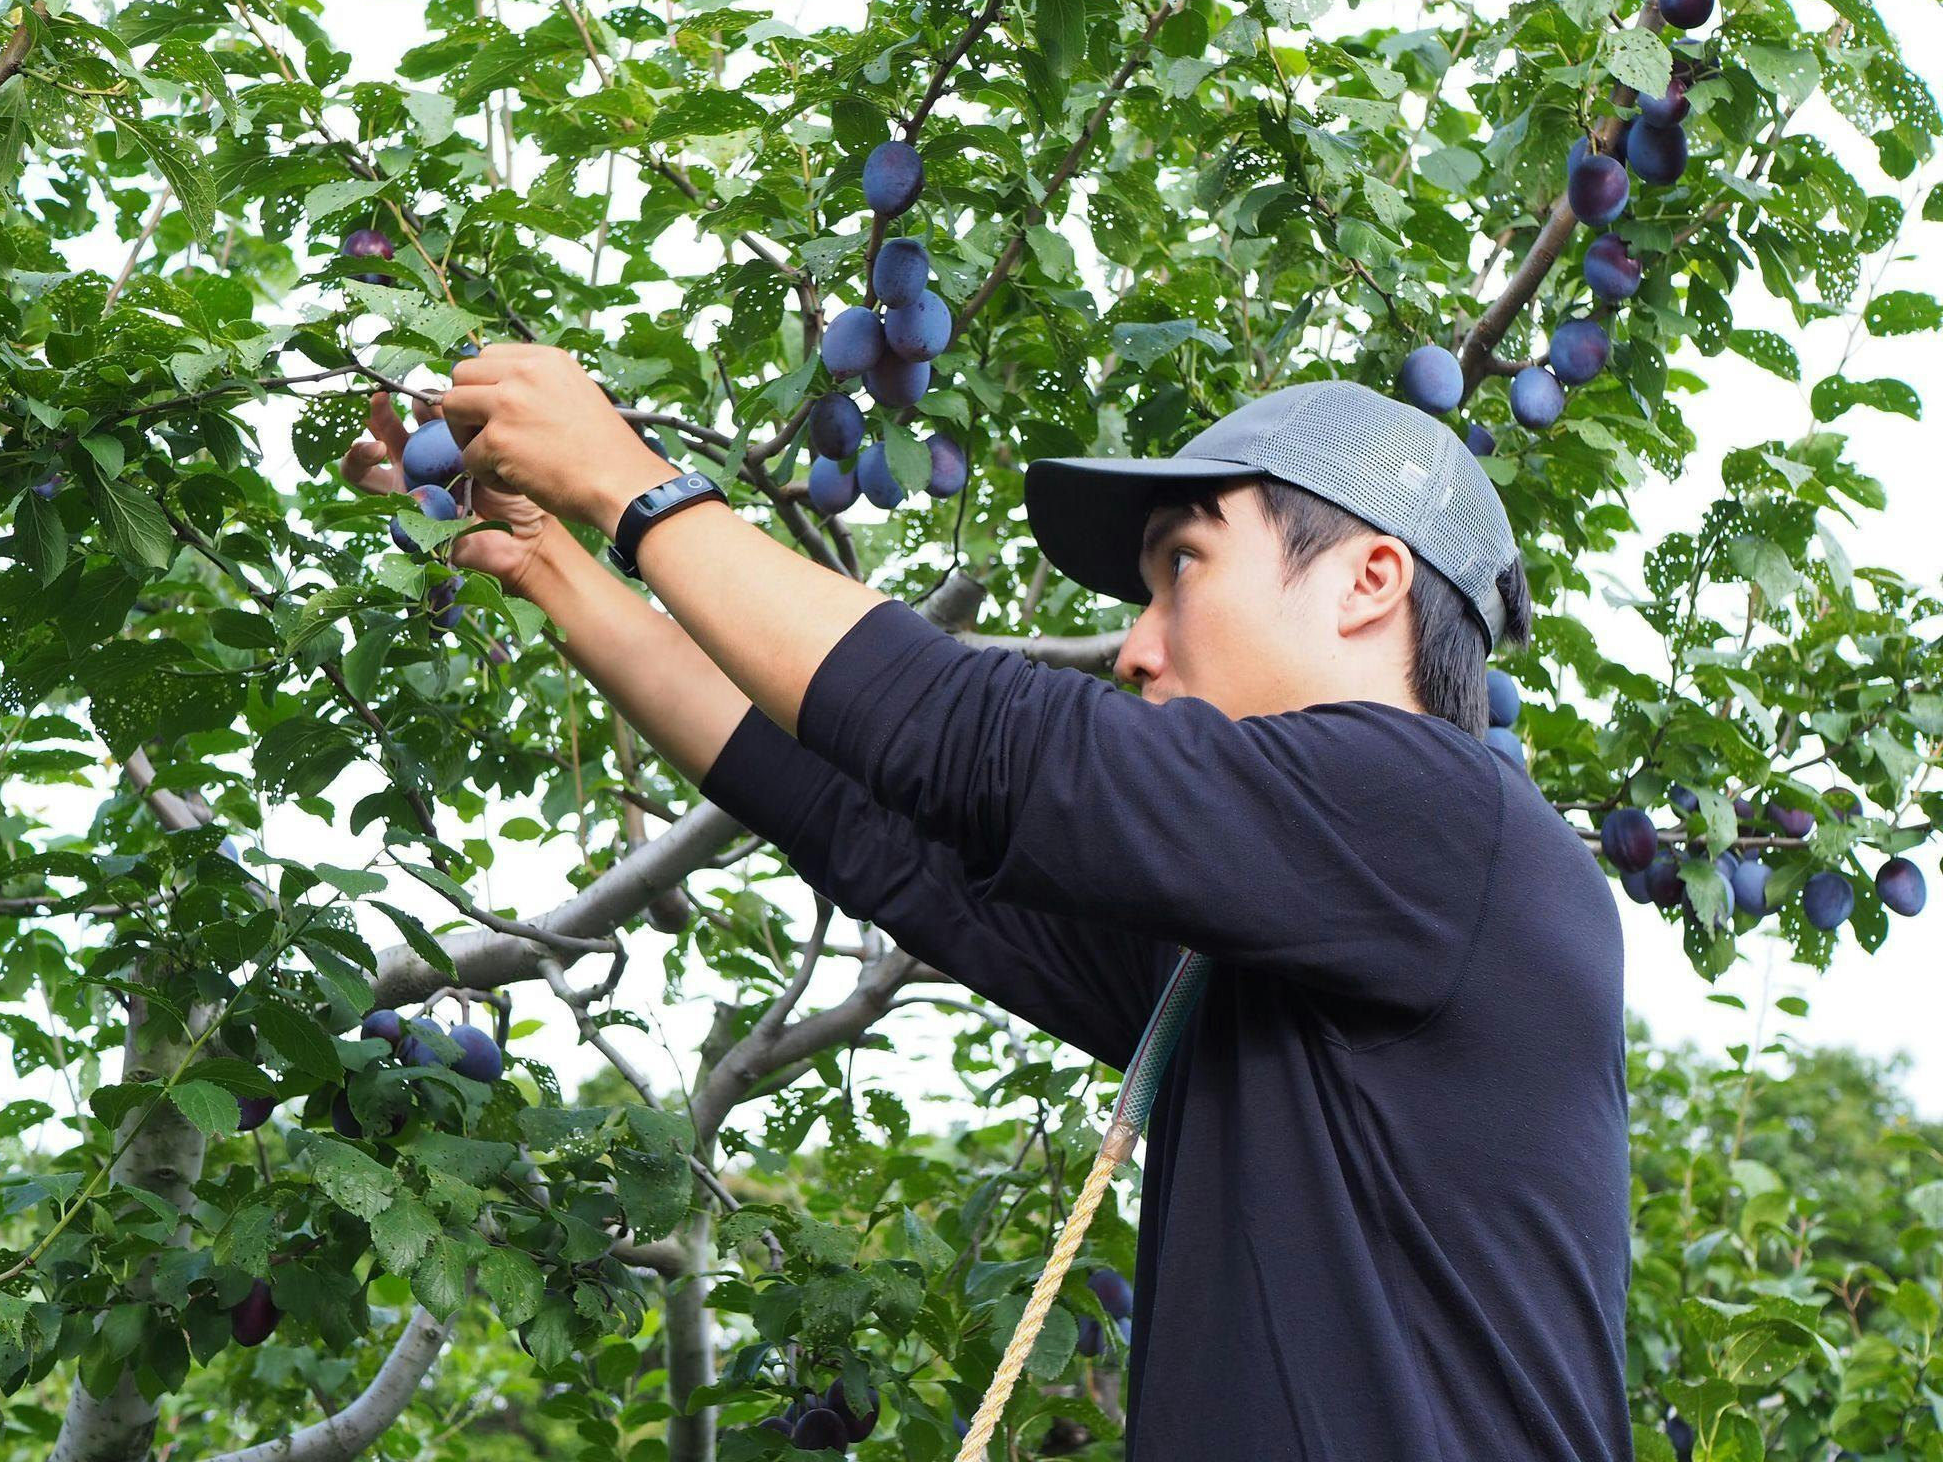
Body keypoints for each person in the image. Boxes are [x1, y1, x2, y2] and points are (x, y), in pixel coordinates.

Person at [343, 351, 1633, 1461]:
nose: (1137, 645)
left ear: (1369, 580)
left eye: (1183, 565)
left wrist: (629, 484)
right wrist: (547, 563)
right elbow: (871, 827)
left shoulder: (1448, 820)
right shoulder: (1256, 956)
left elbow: (987, 745)